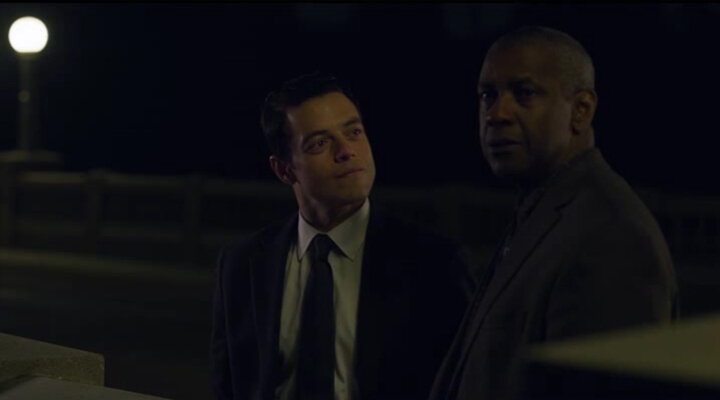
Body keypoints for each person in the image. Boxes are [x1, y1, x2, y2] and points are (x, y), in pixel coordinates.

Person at [429, 26, 678, 400]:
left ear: (581, 110)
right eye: (487, 95)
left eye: (524, 93)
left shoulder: (611, 236)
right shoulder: (544, 211)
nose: (497, 113)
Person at [211, 73, 475, 400]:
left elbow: (463, 383)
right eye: (320, 143)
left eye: (354, 132)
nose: (346, 151)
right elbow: (226, 386)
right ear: (284, 170)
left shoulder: (434, 264)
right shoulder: (242, 264)